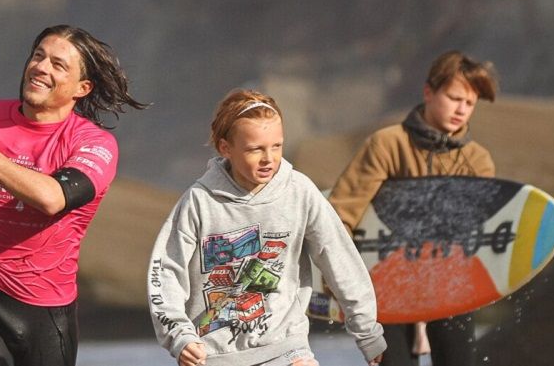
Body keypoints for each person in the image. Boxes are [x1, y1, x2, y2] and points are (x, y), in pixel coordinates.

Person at [0, 25, 147, 366]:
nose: (41, 67)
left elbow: (52, 198)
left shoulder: (94, 144)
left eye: (58, 65)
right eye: (38, 56)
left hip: (48, 315)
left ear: (82, 87)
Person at [148, 89, 386, 366]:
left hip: (287, 350)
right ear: (226, 148)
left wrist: (368, 333)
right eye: (255, 149)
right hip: (212, 357)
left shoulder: (299, 191)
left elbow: (339, 258)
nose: (268, 159)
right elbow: (165, 274)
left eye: (277, 146)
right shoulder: (199, 201)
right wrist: (180, 335)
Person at [328, 51, 498, 366]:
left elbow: (480, 229)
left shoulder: (477, 160)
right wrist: (338, 281)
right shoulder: (388, 145)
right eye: (454, 97)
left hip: (450, 282)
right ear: (429, 92)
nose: (461, 110)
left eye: (470, 103)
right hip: (386, 281)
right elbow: (341, 214)